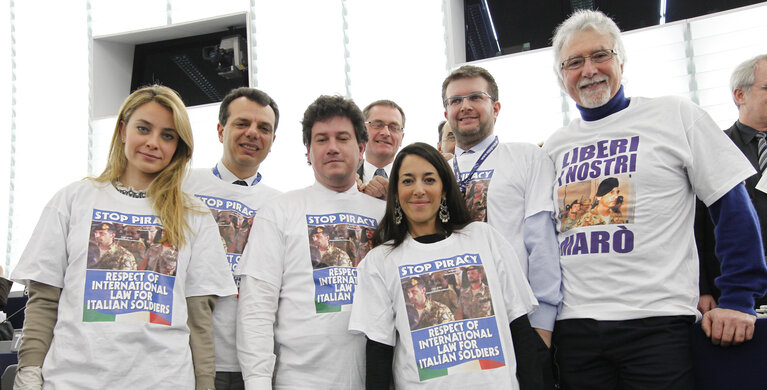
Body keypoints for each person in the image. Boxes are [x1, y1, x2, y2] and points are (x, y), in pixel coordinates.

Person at [544, 10, 767, 389]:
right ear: (561, 75)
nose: (589, 70)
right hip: (576, 330)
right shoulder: (554, 146)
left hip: (657, 324)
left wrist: (738, 297)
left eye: (601, 56)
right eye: (574, 62)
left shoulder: (674, 115)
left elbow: (731, 204)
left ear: (621, 61)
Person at [11, 85, 237, 390]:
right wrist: (29, 370)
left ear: (179, 146)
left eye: (168, 135)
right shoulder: (73, 200)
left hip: (165, 380)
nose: (153, 143)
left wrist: (205, 384)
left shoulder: (193, 214)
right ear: (122, 130)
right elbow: (44, 299)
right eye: (143, 128)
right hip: (72, 379)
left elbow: (199, 318)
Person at [349, 142, 541, 390]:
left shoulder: (485, 238)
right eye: (408, 181)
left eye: (429, 180)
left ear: (444, 190)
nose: (419, 190)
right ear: (395, 193)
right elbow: (379, 353)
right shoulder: (380, 261)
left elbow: (520, 330)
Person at [235, 95, 386, 389]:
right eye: (321, 139)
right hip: (300, 380)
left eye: (342, 138)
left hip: (377, 378)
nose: (332, 148)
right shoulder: (279, 211)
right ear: (308, 151)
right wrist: (257, 382)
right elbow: (256, 307)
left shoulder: (385, 216)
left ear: (361, 148)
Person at [442, 64, 561, 387]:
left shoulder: (526, 158)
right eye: (455, 101)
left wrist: (542, 325)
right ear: (446, 112)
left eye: (475, 97)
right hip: (459, 330)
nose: (464, 106)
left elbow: (542, 242)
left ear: (495, 107)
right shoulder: (436, 174)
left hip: (520, 320)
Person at [182, 87, 282, 390]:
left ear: (272, 141)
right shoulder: (181, 185)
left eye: (263, 128)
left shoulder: (281, 205)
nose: (253, 133)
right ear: (220, 129)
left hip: (253, 367)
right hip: (187, 359)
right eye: (242, 124)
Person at [697, 54, 767, 313]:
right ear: (740, 95)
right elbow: (697, 223)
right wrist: (702, 287)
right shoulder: (715, 146)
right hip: (732, 289)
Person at [357, 100, 406, 200]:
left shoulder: (412, 182)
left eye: (394, 127)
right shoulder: (345, 182)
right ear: (362, 132)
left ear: (402, 137)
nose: (386, 133)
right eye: (377, 125)